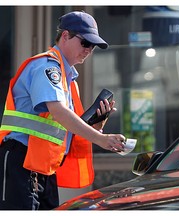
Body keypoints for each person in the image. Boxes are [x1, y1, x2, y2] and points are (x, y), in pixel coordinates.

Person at [0, 11, 126, 210]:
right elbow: (59, 112)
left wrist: (96, 126)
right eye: (85, 43)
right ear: (65, 36)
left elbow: (62, 126)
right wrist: (100, 139)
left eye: (93, 46)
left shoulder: (68, 80)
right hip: (21, 161)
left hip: (42, 166)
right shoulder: (47, 67)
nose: (89, 50)